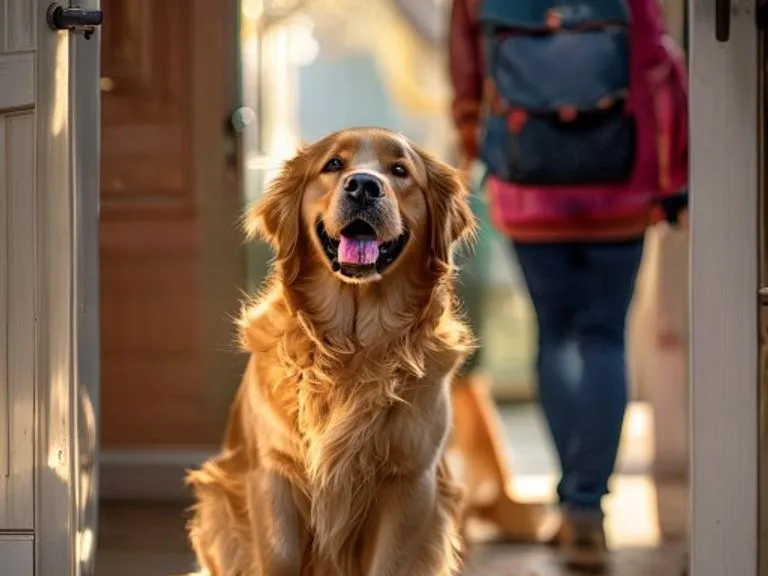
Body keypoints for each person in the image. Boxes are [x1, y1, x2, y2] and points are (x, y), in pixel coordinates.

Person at [448, 0, 688, 570]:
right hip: (620, 182)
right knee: (604, 336)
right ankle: (587, 507)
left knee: (554, 333)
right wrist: (670, 175)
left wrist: (478, 146)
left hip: (528, 183)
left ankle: (570, 500)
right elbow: (655, 68)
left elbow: (465, 78)